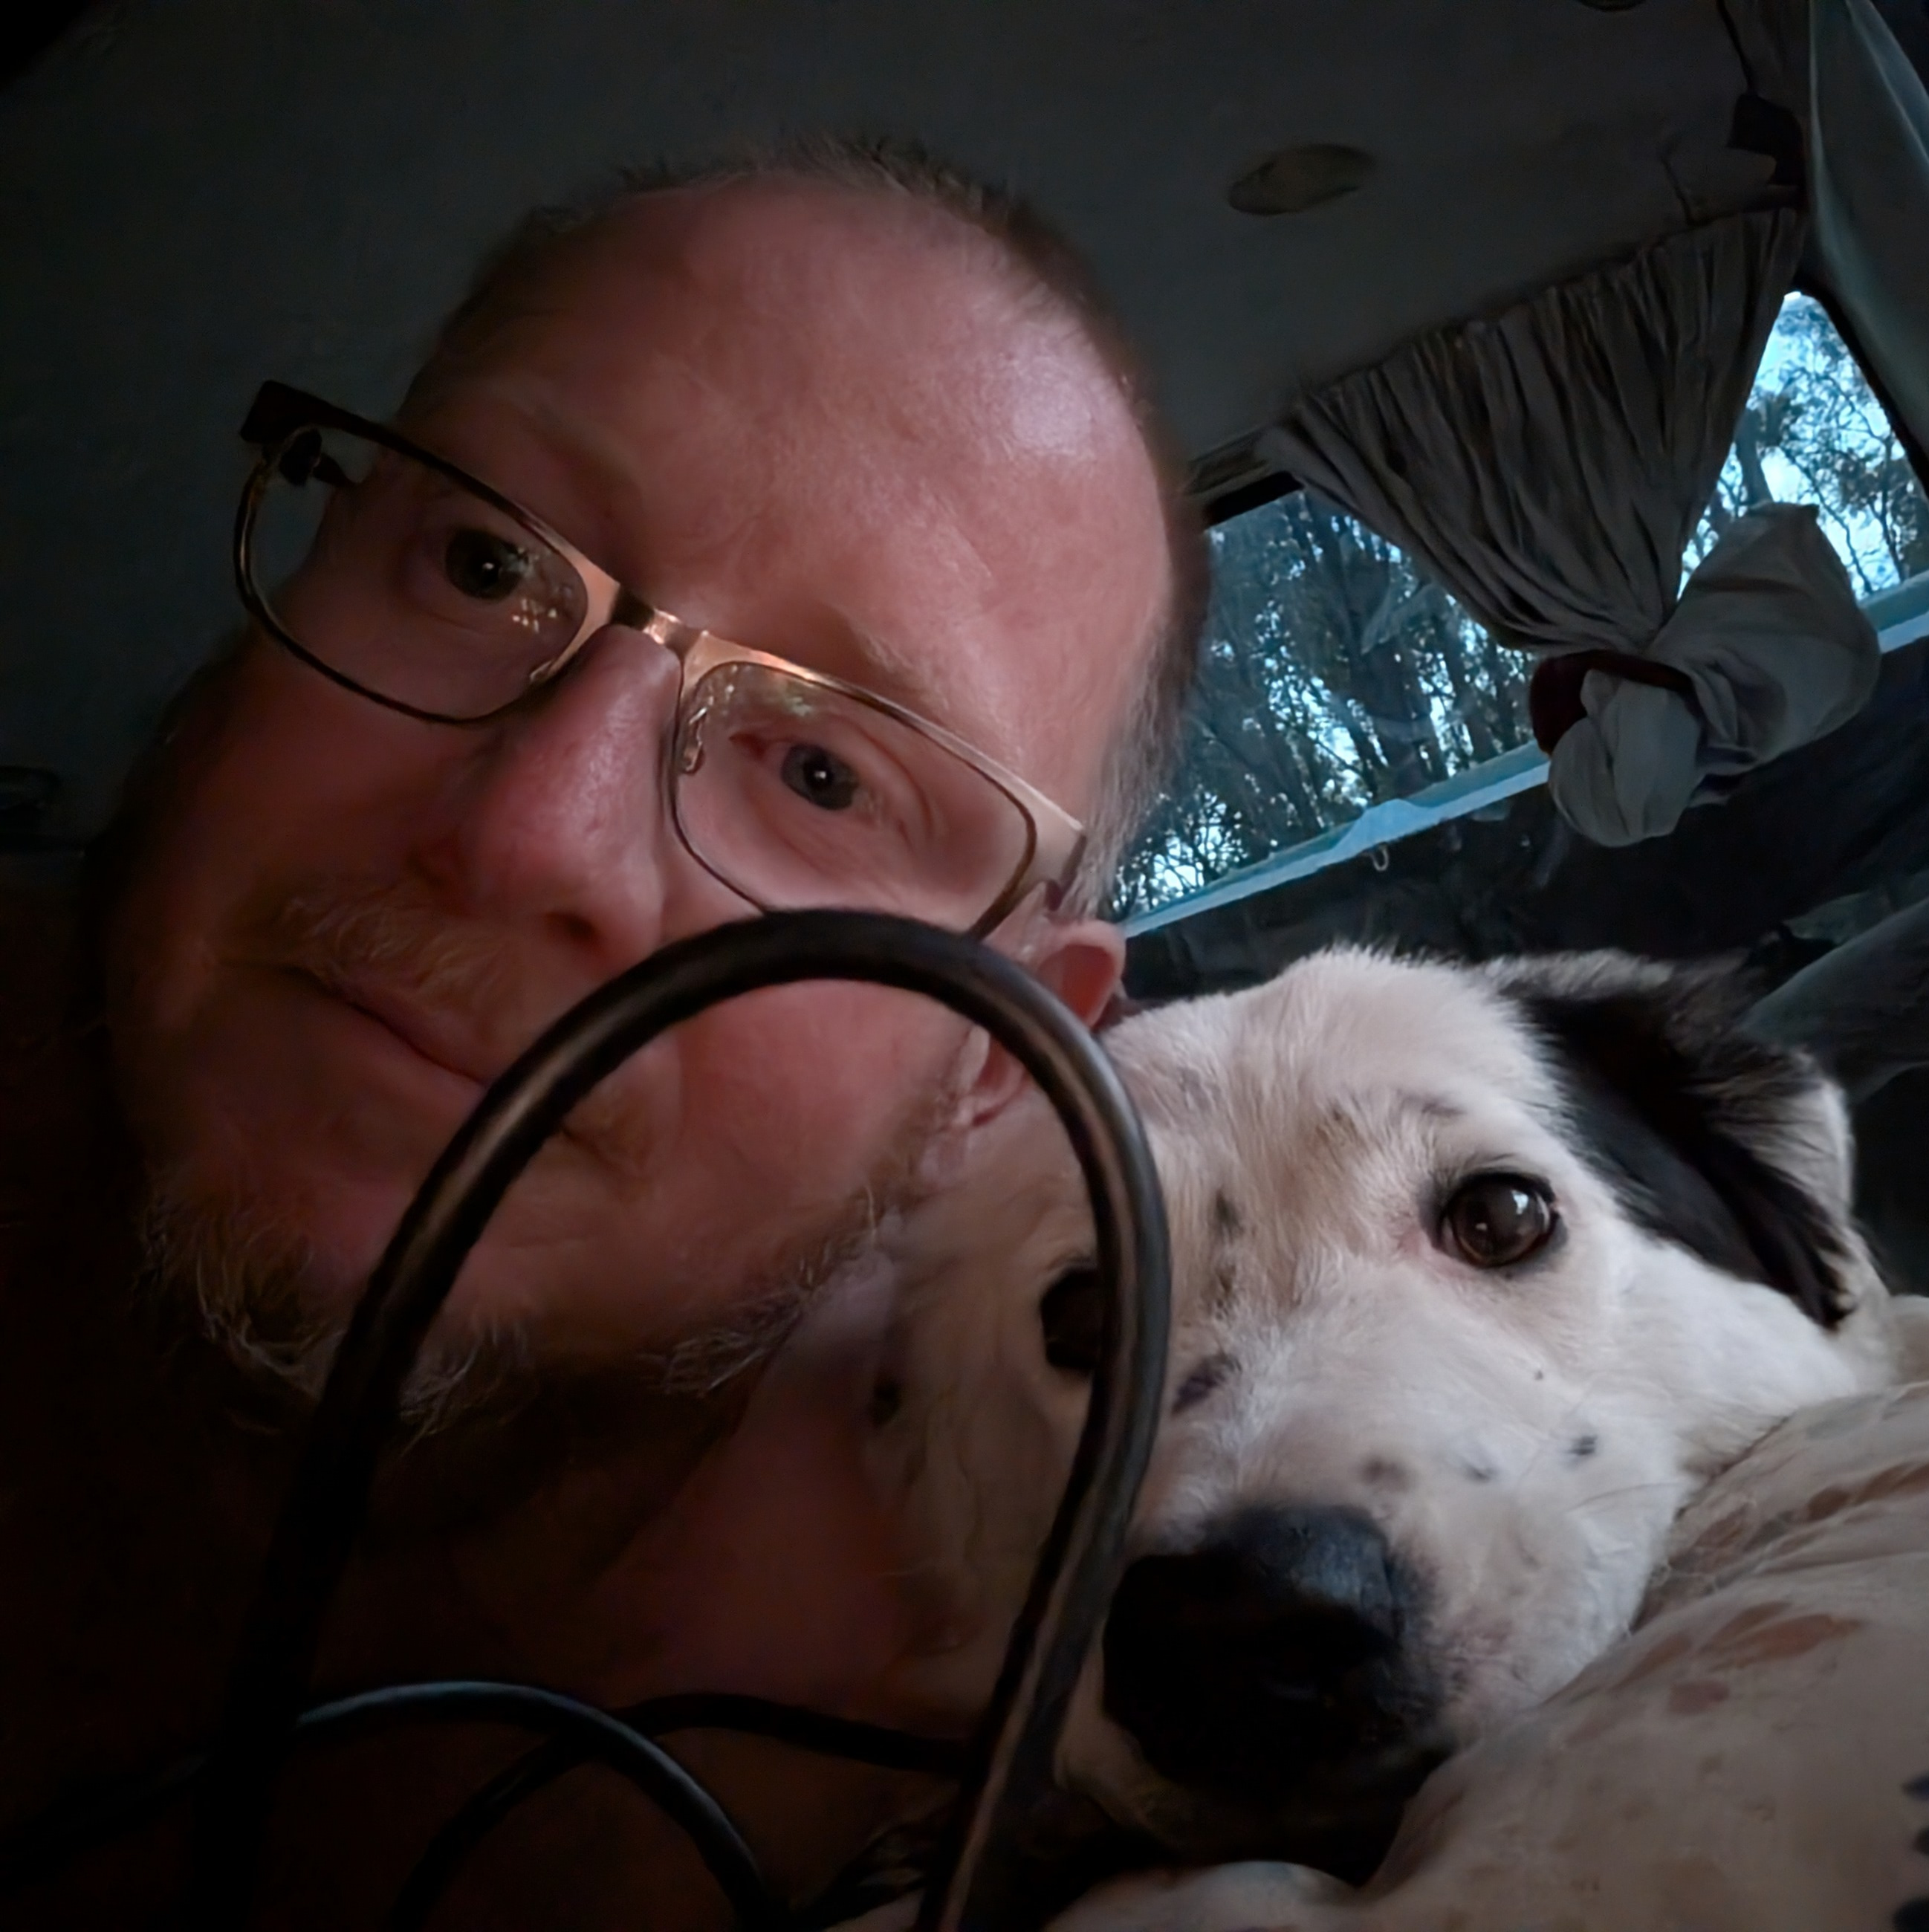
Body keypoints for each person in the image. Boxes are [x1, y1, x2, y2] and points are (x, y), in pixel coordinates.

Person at [0, 137, 1206, 1928]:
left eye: (821, 771)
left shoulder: (1021, 1698)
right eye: (485, 563)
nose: (521, 839)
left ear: (990, 1066)